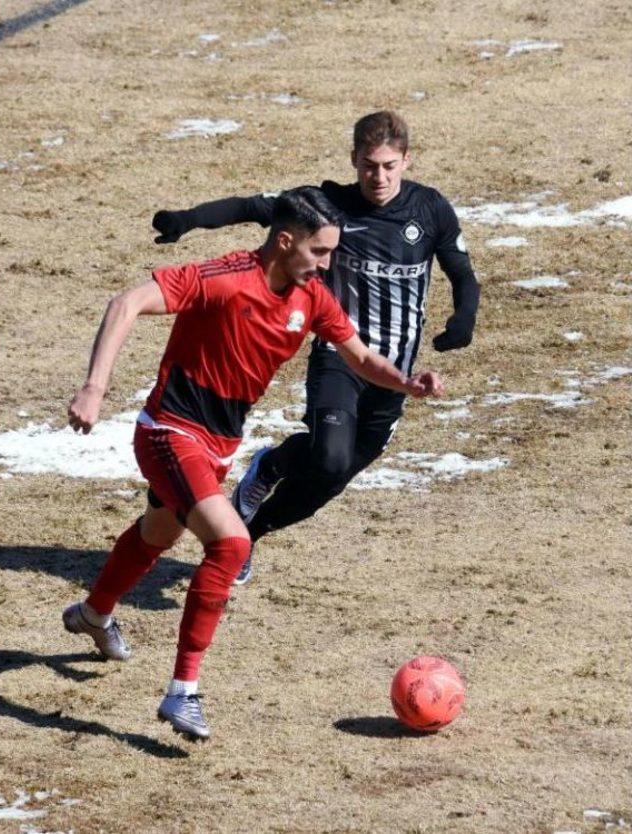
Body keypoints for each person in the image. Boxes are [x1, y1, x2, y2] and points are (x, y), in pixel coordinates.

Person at [64, 187, 444, 740]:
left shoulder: (311, 298)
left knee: (157, 533)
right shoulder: (223, 278)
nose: (327, 264)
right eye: (319, 252)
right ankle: (182, 694)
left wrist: (408, 383)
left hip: (218, 444)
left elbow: (359, 357)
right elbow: (125, 304)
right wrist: (94, 388)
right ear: (284, 241)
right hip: (171, 433)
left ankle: (94, 615)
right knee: (231, 543)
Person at [152, 111, 480, 586]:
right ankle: (267, 479)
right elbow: (254, 207)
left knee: (334, 476)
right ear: (353, 160)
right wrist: (188, 220)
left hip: (394, 370)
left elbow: (462, 273)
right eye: (369, 165)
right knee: (328, 456)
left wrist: (463, 319)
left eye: (389, 165)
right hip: (342, 357)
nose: (379, 177)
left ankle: (253, 523)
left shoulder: (429, 210)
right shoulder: (329, 207)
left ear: (407, 160)